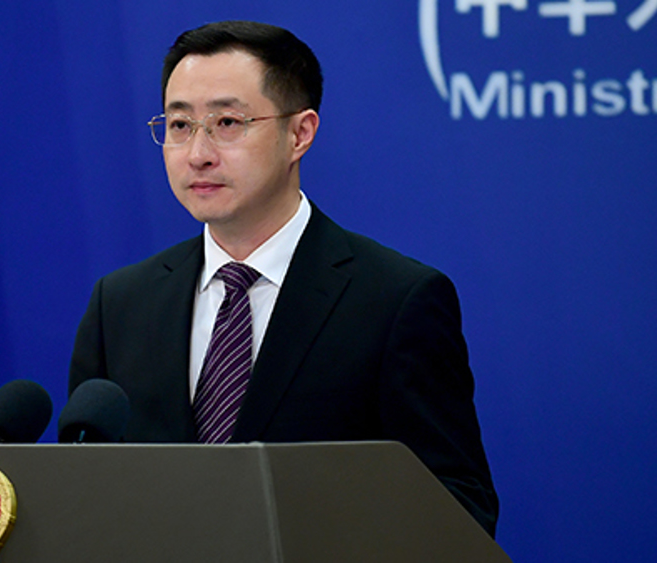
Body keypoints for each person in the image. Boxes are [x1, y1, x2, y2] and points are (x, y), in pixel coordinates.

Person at [69, 20, 499, 536]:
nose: (198, 153)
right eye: (180, 125)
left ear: (300, 133)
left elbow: (456, 508)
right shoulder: (121, 304)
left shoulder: (394, 300)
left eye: (227, 123)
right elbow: (82, 495)